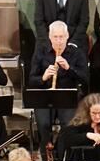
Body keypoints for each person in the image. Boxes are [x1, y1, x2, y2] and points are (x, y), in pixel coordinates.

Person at [29, 21, 90, 151]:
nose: (58, 41)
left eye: (61, 37)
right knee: (44, 124)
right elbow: (31, 80)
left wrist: (69, 68)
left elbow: (85, 79)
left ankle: (64, 156)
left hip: (67, 96)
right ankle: (47, 157)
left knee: (68, 125)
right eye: (55, 37)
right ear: (50, 38)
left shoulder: (76, 53)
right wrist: (44, 77)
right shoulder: (41, 52)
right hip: (45, 96)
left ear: (67, 36)